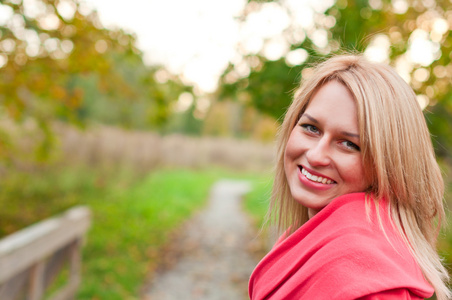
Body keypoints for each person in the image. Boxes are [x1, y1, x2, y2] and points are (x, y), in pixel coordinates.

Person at [248, 54, 450, 300]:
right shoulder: (313, 239)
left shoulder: (368, 285)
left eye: (349, 144)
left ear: (386, 165)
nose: (316, 155)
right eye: (311, 128)